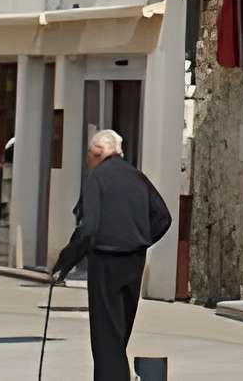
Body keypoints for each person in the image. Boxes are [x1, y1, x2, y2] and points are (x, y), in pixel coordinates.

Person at [48, 129, 172, 381]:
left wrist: (64, 263)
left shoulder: (97, 177)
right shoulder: (137, 177)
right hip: (134, 261)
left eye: (89, 154)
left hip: (106, 260)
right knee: (119, 332)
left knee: (106, 335)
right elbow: (163, 217)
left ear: (97, 153)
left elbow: (89, 228)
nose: (87, 160)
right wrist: (141, 240)